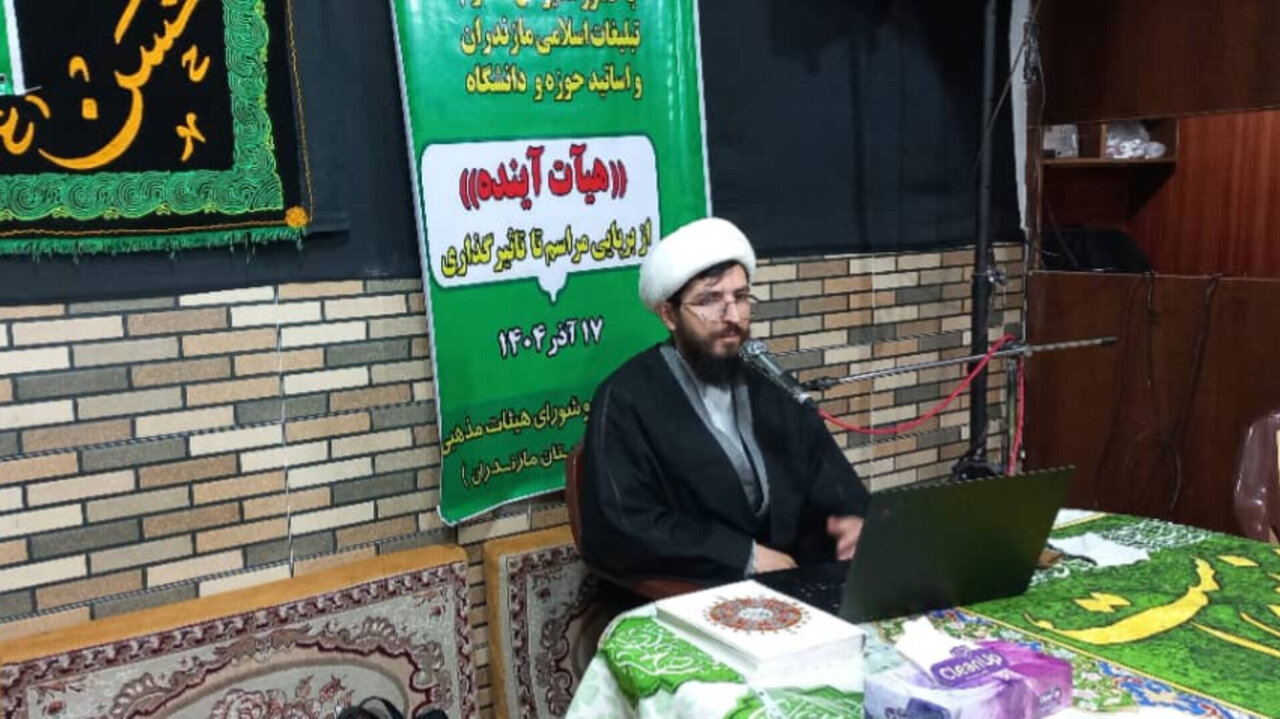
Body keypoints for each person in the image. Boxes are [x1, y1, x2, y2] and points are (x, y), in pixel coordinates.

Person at [579, 216, 870, 585]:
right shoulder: (626, 398)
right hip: (699, 589)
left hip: (793, 579)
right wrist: (741, 556)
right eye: (710, 300)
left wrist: (851, 520)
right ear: (669, 315)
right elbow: (622, 524)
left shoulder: (770, 384)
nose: (733, 316)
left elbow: (826, 473)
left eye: (741, 297)